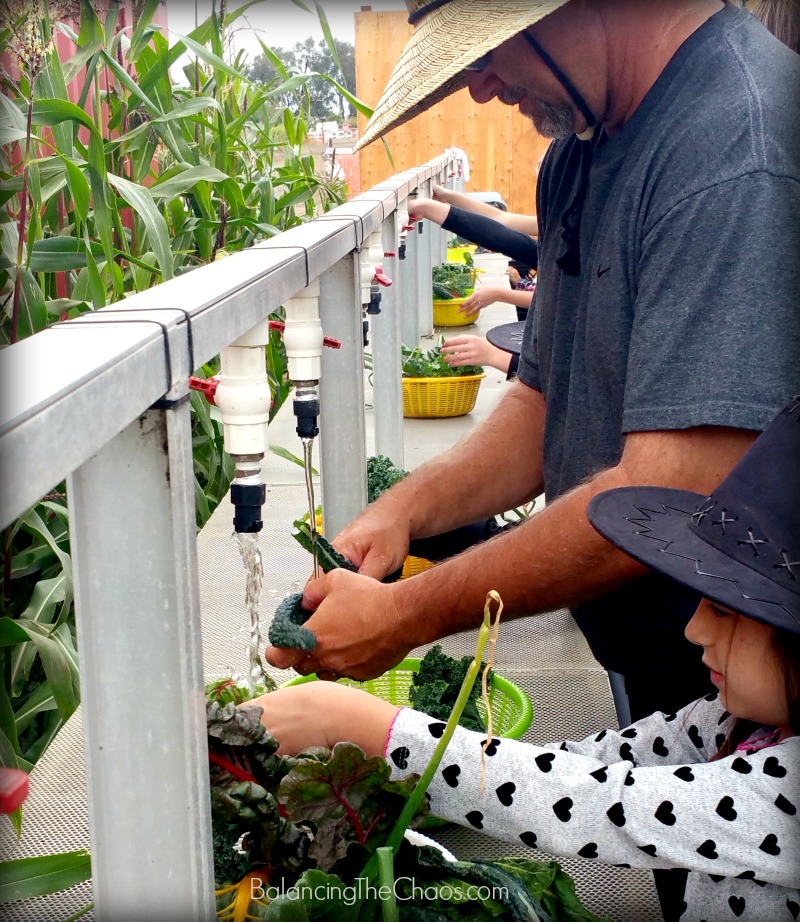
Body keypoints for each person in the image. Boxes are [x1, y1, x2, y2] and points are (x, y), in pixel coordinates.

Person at [267, 1, 799, 733]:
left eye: (486, 53)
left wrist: (405, 614)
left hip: (747, 686)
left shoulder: (736, 147)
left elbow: (672, 486)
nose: (481, 89)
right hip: (655, 654)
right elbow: (542, 401)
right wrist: (403, 511)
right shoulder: (578, 151)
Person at [253, 397, 800, 922]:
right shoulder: (734, 719)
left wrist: (370, 729)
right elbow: (602, 763)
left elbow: (601, 806)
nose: (694, 626)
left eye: (726, 611)